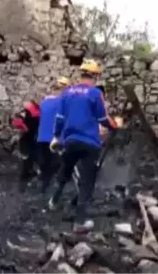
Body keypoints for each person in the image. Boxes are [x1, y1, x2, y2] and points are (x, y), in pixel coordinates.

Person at [48, 60, 120, 233]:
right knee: (87, 181)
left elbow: (59, 118)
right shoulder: (95, 94)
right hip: (90, 143)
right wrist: (114, 125)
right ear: (95, 76)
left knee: (65, 171)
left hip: (70, 140)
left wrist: (57, 136)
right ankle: (80, 222)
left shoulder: (67, 93)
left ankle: (53, 201)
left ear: (81, 74)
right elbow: (102, 119)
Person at [34, 77, 70, 195]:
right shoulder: (64, 103)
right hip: (55, 139)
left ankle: (43, 185)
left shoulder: (44, 102)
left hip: (41, 138)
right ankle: (50, 187)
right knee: (55, 164)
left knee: (44, 163)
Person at [12, 99, 41, 192]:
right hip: (34, 139)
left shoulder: (28, 112)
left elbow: (26, 128)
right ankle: (31, 173)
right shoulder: (37, 112)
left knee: (27, 159)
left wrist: (19, 123)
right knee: (31, 158)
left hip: (28, 139)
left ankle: (27, 176)